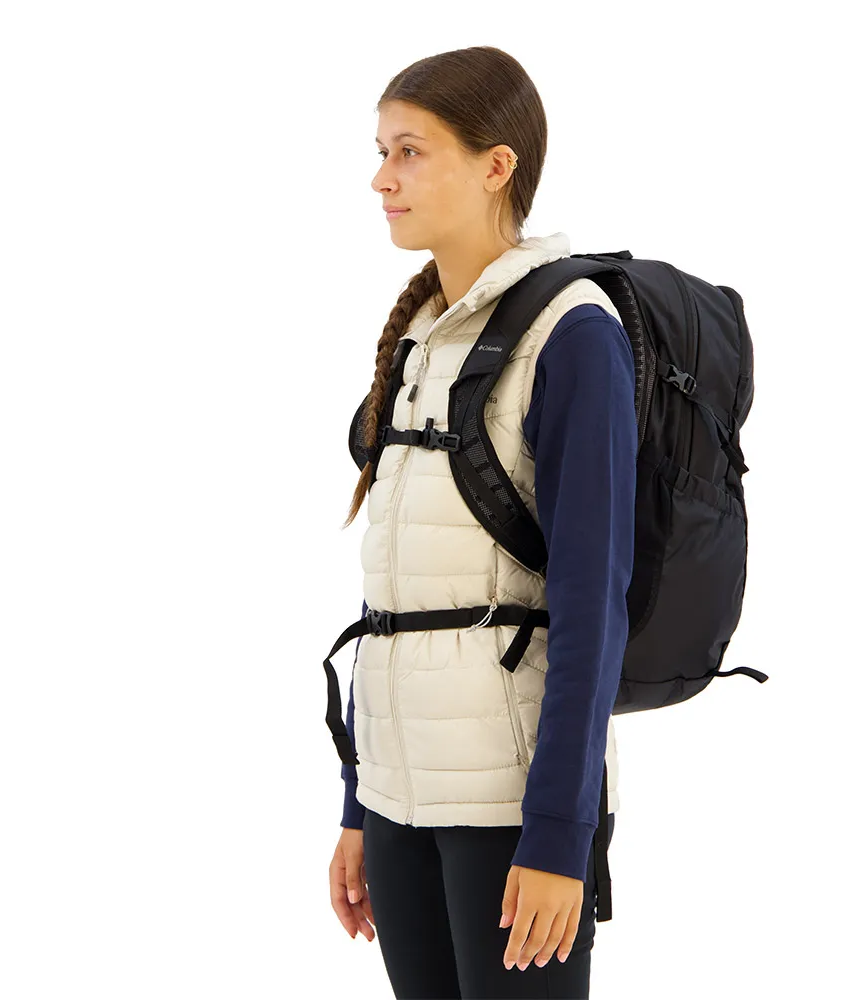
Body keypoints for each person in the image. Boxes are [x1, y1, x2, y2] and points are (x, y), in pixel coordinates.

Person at [327, 45, 636, 999]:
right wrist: (359, 802)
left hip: (512, 808)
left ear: (496, 165)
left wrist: (559, 835)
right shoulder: (422, 339)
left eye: (410, 152)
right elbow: (394, 599)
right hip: (398, 799)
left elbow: (591, 609)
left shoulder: (573, 333)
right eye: (381, 152)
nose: (382, 179)